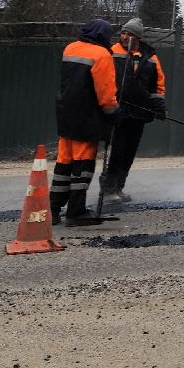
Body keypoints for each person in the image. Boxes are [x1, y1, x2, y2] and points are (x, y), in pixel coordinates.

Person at [51, 17, 119, 227]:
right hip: (86, 117)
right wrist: (114, 114)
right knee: (83, 164)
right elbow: (105, 94)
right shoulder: (102, 55)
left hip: (65, 113)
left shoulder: (70, 48)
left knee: (64, 162)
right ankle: (75, 211)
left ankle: (53, 209)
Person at [101, 17, 167, 204]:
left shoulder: (151, 57)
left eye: (129, 34)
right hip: (118, 111)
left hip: (140, 113)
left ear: (138, 37)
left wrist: (159, 107)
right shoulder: (111, 52)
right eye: (123, 33)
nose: (124, 37)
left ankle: (119, 187)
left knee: (129, 152)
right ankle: (108, 189)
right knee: (117, 151)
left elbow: (158, 85)